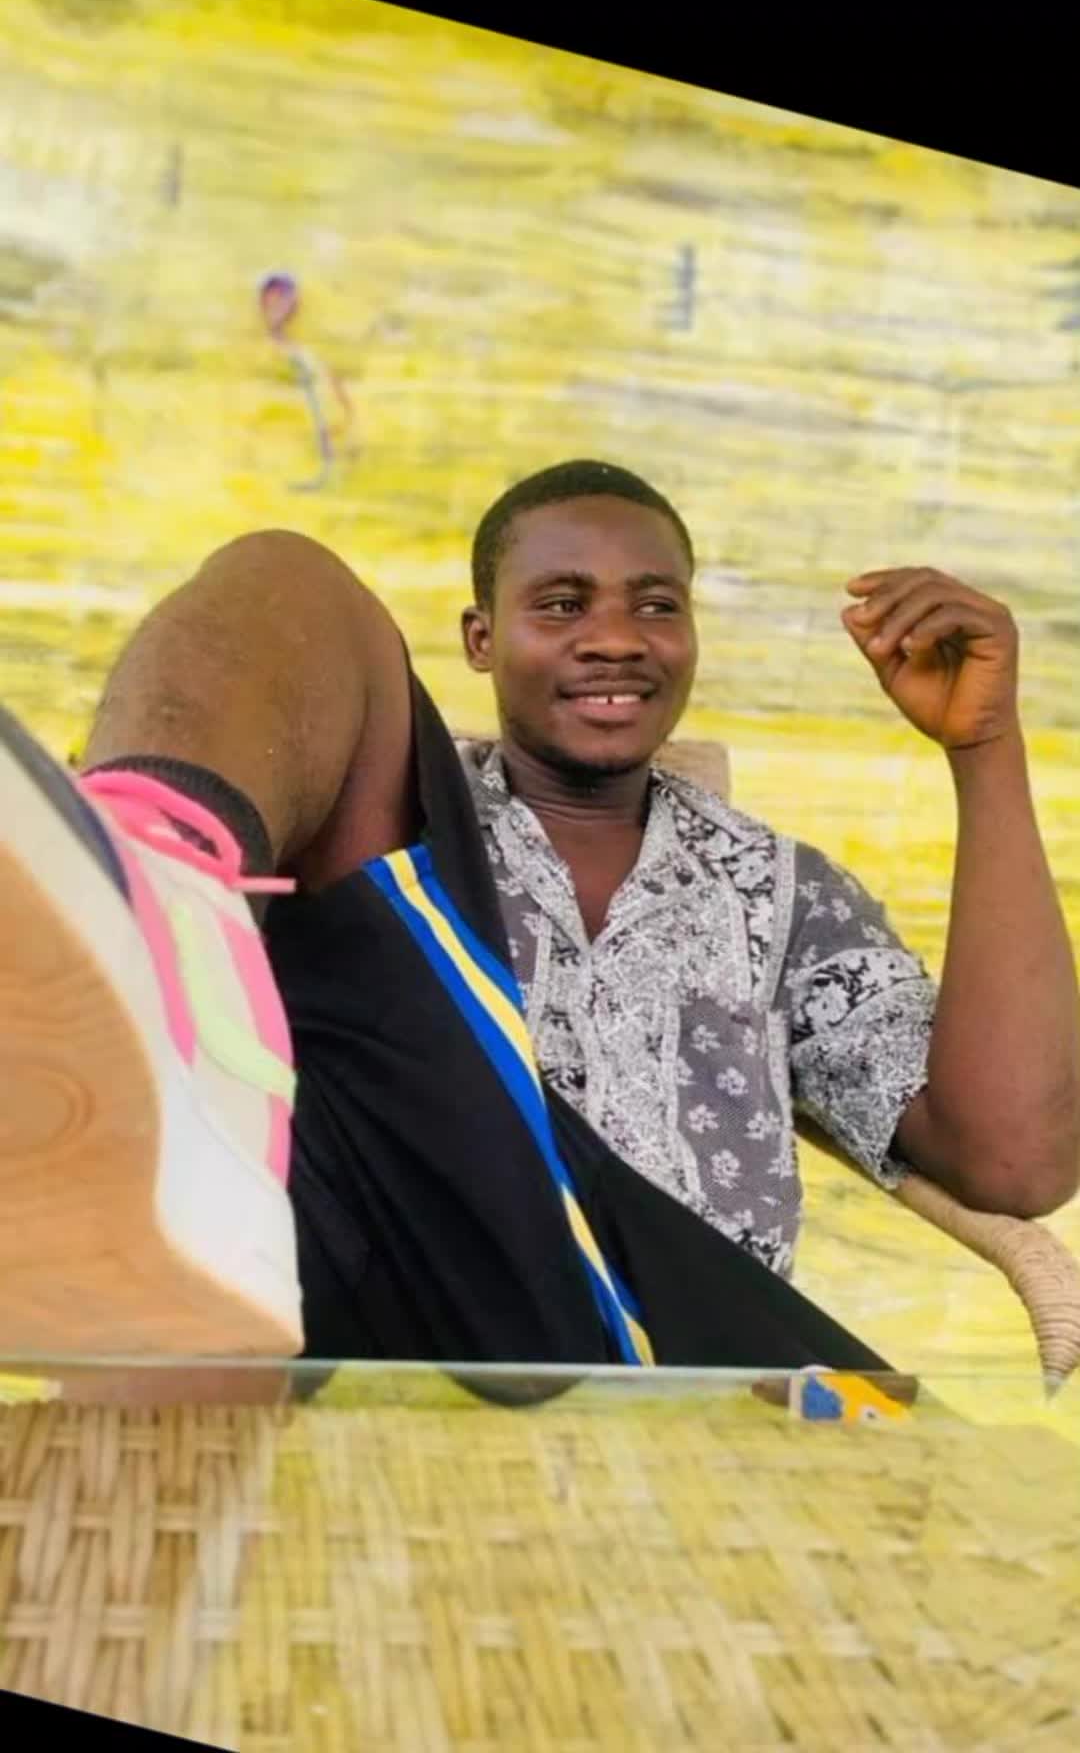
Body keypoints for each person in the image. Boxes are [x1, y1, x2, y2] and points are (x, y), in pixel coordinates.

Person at [1, 461, 1077, 1370]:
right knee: (287, 578)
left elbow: (1017, 1162)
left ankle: (135, 1000)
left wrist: (983, 750)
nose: (615, 638)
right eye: (562, 604)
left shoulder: (782, 892)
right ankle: (131, 990)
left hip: (683, 1356)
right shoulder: (396, 822)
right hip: (409, 1291)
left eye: (656, 606)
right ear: (481, 640)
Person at [257, 270, 354, 492]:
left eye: (284, 301)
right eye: (272, 301)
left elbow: (326, 390)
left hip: (306, 445)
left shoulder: (302, 351)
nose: (277, 308)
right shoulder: (269, 351)